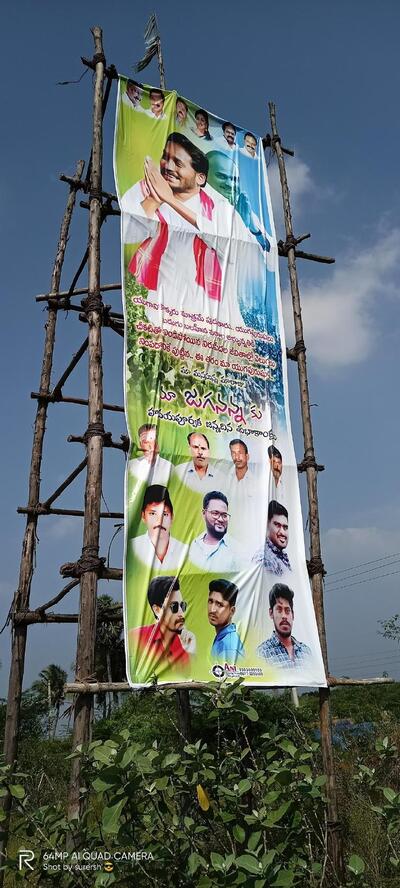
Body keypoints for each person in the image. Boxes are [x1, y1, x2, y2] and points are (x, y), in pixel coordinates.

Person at [120, 133, 269, 328]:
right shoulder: (148, 188)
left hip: (217, 326)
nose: (168, 167)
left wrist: (171, 200)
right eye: (165, 157)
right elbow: (127, 233)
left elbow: (237, 250)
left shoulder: (220, 208)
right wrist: (155, 198)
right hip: (163, 319)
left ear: (200, 178)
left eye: (178, 163)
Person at [207, 150, 271, 254]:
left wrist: (253, 228)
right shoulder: (199, 206)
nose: (229, 184)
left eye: (234, 179)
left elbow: (269, 254)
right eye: (222, 177)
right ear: (203, 176)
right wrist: (242, 224)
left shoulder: (243, 208)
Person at [129, 576, 196, 671]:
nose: (181, 612)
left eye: (182, 605)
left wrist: (191, 654)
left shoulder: (187, 643)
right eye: (174, 606)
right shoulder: (136, 638)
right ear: (157, 610)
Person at [130, 485, 188, 570]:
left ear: (172, 517)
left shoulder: (185, 550)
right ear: (143, 516)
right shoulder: (133, 547)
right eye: (152, 514)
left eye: (165, 514)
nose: (159, 521)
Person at [257, 583, 311, 668]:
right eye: (279, 610)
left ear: (292, 615)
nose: (284, 616)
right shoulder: (262, 653)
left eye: (287, 610)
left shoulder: (306, 652)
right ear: (271, 613)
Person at [188, 491, 245, 571]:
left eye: (224, 515)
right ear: (204, 513)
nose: (221, 519)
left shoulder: (237, 550)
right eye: (215, 513)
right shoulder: (192, 546)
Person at [208, 578, 245, 663]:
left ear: (231, 611)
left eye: (219, 604)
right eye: (210, 601)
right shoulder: (223, 638)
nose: (212, 609)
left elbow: (232, 676)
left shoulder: (229, 647)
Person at [253, 500, 292, 575]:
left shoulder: (281, 556)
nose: (282, 532)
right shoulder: (265, 559)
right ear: (267, 525)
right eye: (277, 525)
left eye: (285, 527)